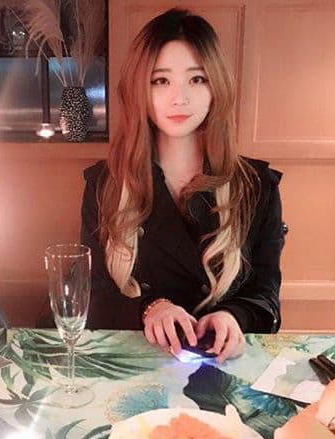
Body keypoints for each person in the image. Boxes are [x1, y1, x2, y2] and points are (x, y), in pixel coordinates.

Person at [80, 8, 284, 363]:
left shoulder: (256, 185)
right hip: (133, 362)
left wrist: (234, 316)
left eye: (197, 79)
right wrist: (150, 308)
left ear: (216, 86)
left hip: (220, 363)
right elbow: (92, 295)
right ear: (139, 89)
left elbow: (266, 296)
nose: (179, 98)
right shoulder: (105, 184)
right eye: (161, 81)